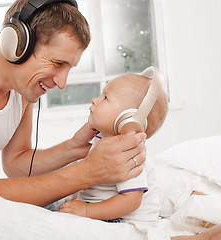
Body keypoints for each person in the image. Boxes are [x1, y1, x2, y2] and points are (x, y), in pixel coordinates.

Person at [0, 0, 221, 239]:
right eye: (58, 64)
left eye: (69, 69)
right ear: (17, 43)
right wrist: (86, 173)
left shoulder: (21, 91)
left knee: (53, 203)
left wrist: (75, 149)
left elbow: (17, 164)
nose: (61, 82)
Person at [58, 70, 168, 224]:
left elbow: (130, 201)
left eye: (105, 98)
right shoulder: (102, 140)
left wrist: (86, 210)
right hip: (101, 212)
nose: (95, 100)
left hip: (123, 222)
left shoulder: (130, 153)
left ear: (129, 119)